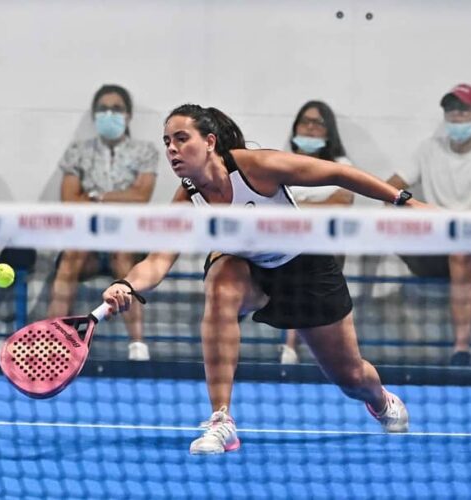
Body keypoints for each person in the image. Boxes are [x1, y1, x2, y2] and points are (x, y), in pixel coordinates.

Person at [102, 104, 428, 455]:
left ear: (209, 142)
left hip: (305, 269)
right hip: (250, 271)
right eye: (167, 141)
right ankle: (221, 420)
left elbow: (338, 173)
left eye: (182, 139)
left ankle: (380, 400)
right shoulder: (188, 197)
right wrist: (126, 285)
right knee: (221, 285)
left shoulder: (256, 167)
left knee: (351, 377)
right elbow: (157, 260)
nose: (172, 149)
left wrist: (403, 201)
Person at [385, 84, 471, 366]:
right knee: (391, 220)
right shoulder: (427, 149)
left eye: (464, 110)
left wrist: (451, 223)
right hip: (431, 242)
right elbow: (389, 188)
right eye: (451, 110)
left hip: (468, 242)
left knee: (460, 252)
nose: (456, 116)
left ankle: (461, 349)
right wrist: (412, 210)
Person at [47, 84, 158, 361]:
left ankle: (137, 346)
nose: (110, 114)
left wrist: (94, 196)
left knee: (123, 257)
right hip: (87, 238)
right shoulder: (78, 151)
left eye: (117, 109)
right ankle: (52, 341)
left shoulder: (145, 151)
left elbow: (141, 197)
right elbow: (69, 200)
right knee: (71, 257)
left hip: (127, 238)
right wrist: (120, 197)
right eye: (103, 109)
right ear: (94, 114)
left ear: (128, 115)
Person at [280, 100, 354, 365]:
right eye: (305, 121)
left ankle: (296, 345)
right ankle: (291, 345)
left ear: (329, 131)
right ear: (296, 127)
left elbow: (342, 202)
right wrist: (316, 206)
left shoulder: (342, 165)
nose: (310, 128)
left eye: (318, 123)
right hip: (284, 244)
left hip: (326, 247)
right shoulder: (279, 161)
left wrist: (297, 205)